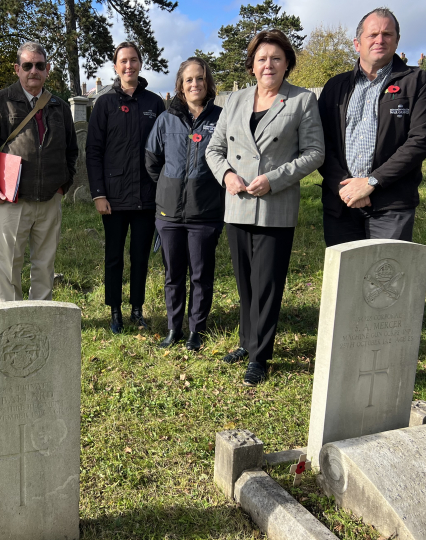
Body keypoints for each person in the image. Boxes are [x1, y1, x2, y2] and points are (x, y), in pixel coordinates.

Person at [205, 30, 324, 385]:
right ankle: (247, 340)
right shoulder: (235, 100)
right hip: (238, 203)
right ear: (251, 66)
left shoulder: (302, 101)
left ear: (287, 63)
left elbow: (315, 153)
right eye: (261, 59)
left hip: (275, 204)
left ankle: (261, 355)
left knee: (268, 282)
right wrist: (226, 174)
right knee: (245, 281)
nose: (268, 64)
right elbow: (213, 149)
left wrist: (275, 178)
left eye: (275, 58)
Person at [318, 7, 426, 246]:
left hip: (391, 206)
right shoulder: (335, 86)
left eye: (387, 34)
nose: (380, 40)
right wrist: (345, 186)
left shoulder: (417, 82)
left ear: (396, 41)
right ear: (357, 43)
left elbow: (421, 141)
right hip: (341, 204)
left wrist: (371, 182)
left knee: (386, 280)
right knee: (344, 280)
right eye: (372, 35)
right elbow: (319, 141)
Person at [0, 42, 78, 302]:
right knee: (9, 263)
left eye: (39, 66)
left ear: (48, 69)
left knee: (45, 263)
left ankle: (40, 313)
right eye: (28, 65)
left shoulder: (60, 107)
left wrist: (63, 184)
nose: (34, 71)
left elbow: (72, 151)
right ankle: (10, 314)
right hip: (13, 198)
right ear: (17, 69)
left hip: (50, 198)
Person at [86, 41, 167, 334]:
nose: (129, 65)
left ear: (141, 64)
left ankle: (137, 309)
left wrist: (163, 193)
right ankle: (115, 311)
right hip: (113, 197)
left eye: (133, 60)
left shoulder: (154, 103)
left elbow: (164, 150)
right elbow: (93, 151)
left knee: (140, 256)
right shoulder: (105, 103)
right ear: (115, 66)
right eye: (123, 61)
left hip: (147, 197)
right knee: (114, 256)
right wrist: (98, 193)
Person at [145, 57, 224, 351]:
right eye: (189, 79)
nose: (195, 84)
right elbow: (152, 159)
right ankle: (173, 327)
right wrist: (170, 185)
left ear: (208, 82)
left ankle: (196, 330)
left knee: (201, 275)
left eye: (200, 78)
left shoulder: (220, 118)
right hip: (169, 214)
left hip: (205, 212)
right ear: (180, 85)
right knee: (173, 274)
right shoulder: (165, 120)